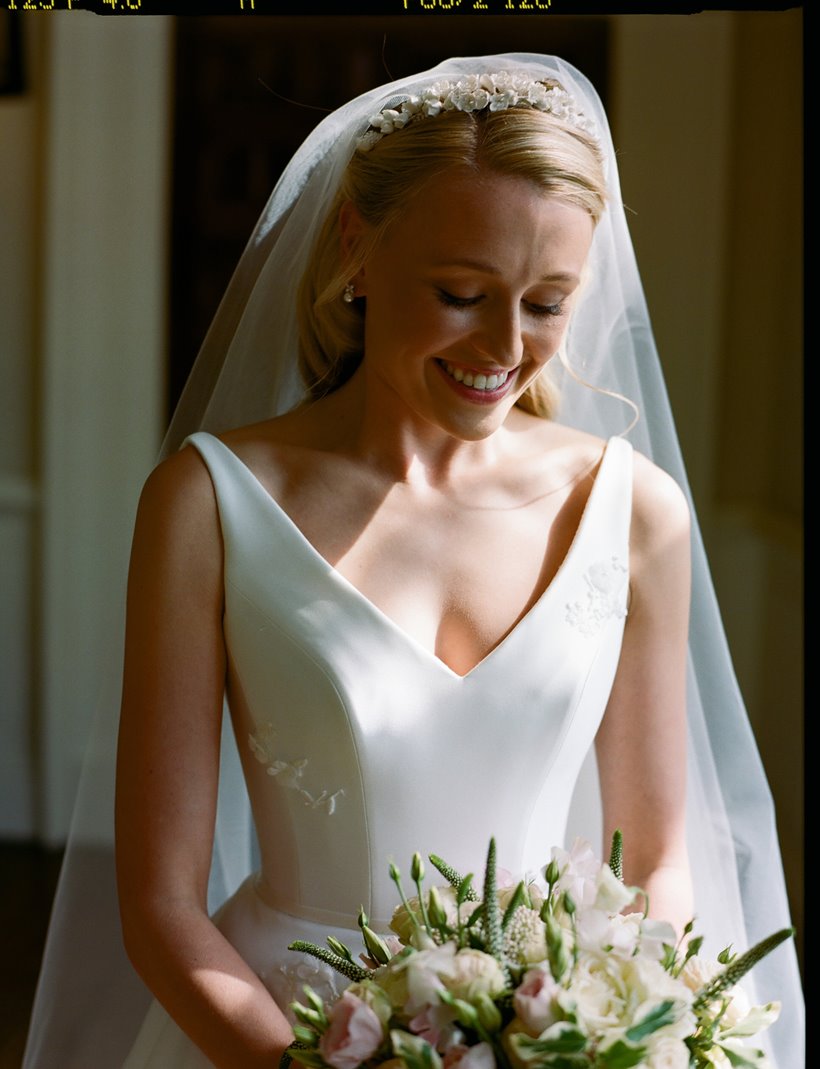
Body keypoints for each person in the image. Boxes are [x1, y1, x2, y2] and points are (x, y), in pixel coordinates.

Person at [22, 54, 802, 1069]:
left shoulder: (633, 511)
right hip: (269, 1032)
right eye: (462, 291)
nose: (505, 345)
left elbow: (655, 861)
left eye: (546, 301)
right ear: (356, 242)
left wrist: (594, 1039)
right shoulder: (208, 502)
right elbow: (160, 906)